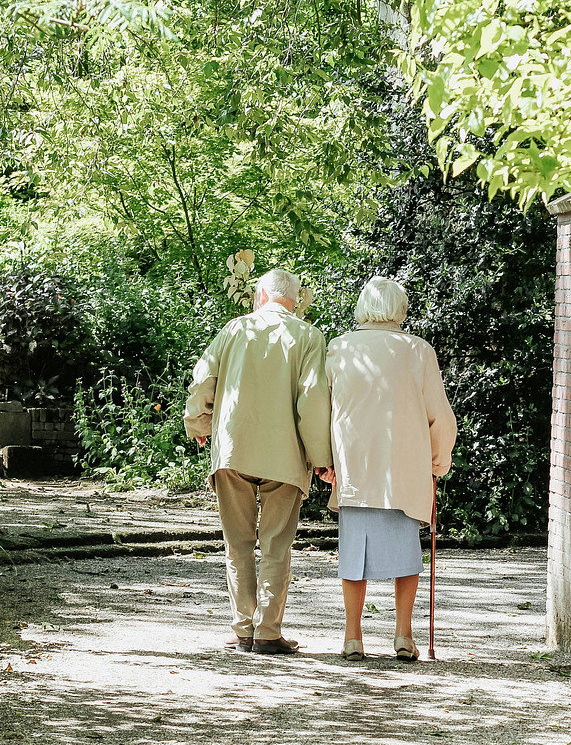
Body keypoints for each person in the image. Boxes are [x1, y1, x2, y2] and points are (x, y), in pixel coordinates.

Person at [184, 268, 332, 655]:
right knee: (276, 545)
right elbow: (313, 400)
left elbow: (203, 380)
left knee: (237, 543)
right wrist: (321, 458)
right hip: (285, 455)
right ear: (294, 301)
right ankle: (267, 632)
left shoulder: (234, 330)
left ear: (260, 296)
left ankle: (242, 629)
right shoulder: (309, 336)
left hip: (234, 449)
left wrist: (198, 422)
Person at [323, 276, 457, 661]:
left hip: (355, 466)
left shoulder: (340, 348)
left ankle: (352, 636)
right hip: (404, 466)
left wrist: (324, 460)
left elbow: (323, 410)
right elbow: (440, 416)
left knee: (353, 553)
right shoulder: (417, 351)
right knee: (406, 553)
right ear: (400, 308)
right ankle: (403, 635)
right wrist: (438, 458)